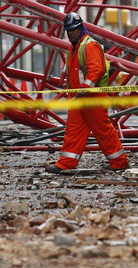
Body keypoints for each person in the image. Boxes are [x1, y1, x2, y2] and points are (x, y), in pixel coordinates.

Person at [46, 12, 128, 174]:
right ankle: (66, 163)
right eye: (68, 30)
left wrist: (85, 87)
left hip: (92, 98)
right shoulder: (75, 47)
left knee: (102, 130)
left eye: (73, 30)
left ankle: (119, 162)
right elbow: (75, 70)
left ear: (80, 28)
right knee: (73, 131)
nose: (70, 33)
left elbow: (96, 69)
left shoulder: (89, 45)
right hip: (79, 97)